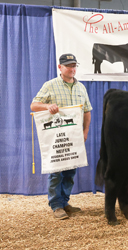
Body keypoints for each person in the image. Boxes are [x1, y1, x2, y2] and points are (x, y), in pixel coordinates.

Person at [30, 53, 93, 219]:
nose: (72, 69)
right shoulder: (50, 85)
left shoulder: (81, 88)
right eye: (68, 66)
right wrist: (48, 106)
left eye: (74, 66)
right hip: (56, 138)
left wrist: (85, 132)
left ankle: (65, 202)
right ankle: (56, 205)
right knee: (56, 172)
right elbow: (34, 105)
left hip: (74, 138)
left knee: (70, 172)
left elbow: (87, 111)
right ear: (60, 67)